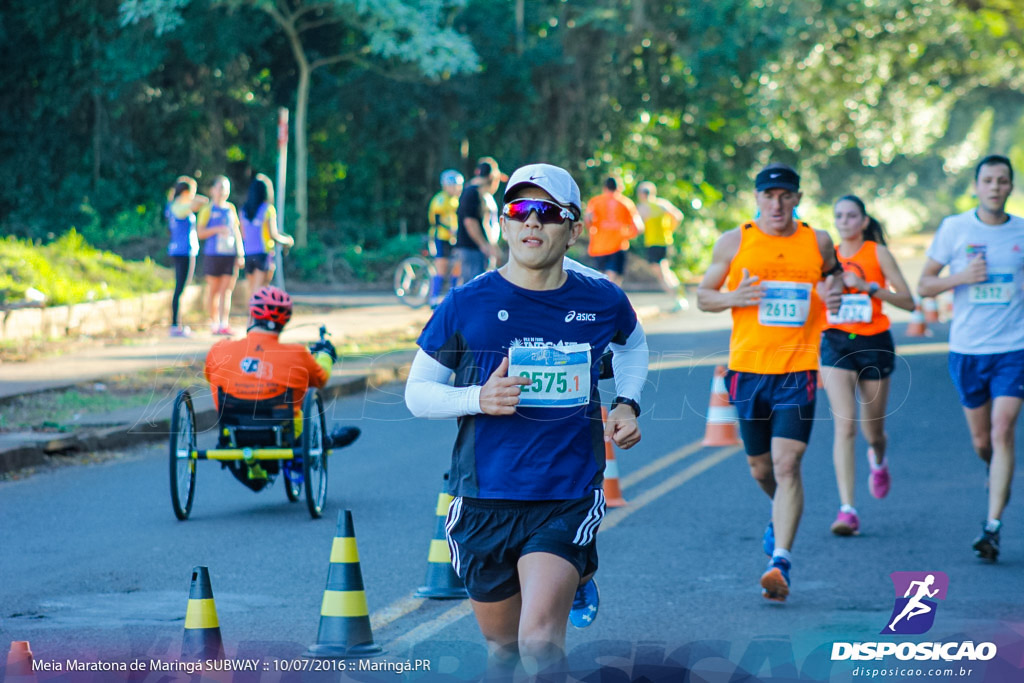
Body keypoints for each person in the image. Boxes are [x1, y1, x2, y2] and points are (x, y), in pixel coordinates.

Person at [405, 163, 648, 676]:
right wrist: (478, 398)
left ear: (572, 229)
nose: (531, 222)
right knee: (503, 649)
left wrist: (628, 401)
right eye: (518, 210)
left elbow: (633, 345)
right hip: (483, 500)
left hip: (564, 495)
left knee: (539, 641)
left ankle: (571, 575)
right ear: (505, 224)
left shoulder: (601, 298)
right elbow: (417, 394)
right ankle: (574, 582)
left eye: (548, 213)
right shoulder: (466, 303)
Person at [696, 162, 842, 602]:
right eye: (768, 195)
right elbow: (703, 296)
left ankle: (780, 561)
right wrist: (732, 298)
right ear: (757, 198)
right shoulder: (735, 241)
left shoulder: (816, 240)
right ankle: (782, 509)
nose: (776, 204)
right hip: (748, 370)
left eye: (785, 195)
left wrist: (832, 288)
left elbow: (833, 271)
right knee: (761, 468)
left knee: (787, 464)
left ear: (797, 198)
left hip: (798, 369)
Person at [918, 154, 1024, 562]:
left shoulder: (1020, 232)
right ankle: (995, 470)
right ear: (977, 187)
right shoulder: (954, 229)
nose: (996, 187)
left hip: (1013, 350)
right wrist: (960, 278)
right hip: (968, 350)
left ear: (1010, 187)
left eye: (1003, 180)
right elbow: (924, 285)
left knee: (1002, 431)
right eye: (988, 181)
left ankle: (992, 527)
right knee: (983, 442)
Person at [820, 195, 915, 536]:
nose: (844, 221)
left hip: (875, 343)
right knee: (844, 426)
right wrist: (824, 294)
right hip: (835, 342)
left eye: (851, 216)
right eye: (839, 216)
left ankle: (878, 457)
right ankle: (847, 509)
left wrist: (870, 288)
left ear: (863, 221)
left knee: (871, 431)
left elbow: (908, 300)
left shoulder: (878, 253)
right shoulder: (823, 254)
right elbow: (812, 296)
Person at [205, 286, 360, 487]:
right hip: (281, 432)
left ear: (251, 316)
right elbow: (320, 380)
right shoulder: (297, 355)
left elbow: (210, 377)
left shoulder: (219, 350)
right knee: (303, 402)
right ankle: (324, 442)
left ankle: (255, 469)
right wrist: (325, 356)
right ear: (284, 322)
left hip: (234, 429)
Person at [196, 175, 245, 336]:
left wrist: (240, 253)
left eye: (226, 188)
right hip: (213, 254)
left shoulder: (231, 208)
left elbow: (236, 231)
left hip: (229, 254)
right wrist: (217, 230)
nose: (223, 191)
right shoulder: (207, 210)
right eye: (220, 187)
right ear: (212, 190)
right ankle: (214, 323)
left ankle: (224, 323)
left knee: (227, 290)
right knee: (214, 290)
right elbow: (200, 232)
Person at [240, 174, 294, 305]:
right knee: (259, 289)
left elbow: (243, 234)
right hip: (263, 253)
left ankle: (251, 320)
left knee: (252, 288)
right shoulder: (268, 209)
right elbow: (273, 235)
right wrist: (288, 241)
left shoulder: (243, 211)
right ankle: (256, 320)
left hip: (248, 253)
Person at [165, 175, 208, 337]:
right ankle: (176, 325)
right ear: (185, 192)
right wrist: (190, 196)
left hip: (178, 249)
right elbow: (203, 201)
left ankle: (177, 324)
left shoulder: (173, 206)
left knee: (180, 288)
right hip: (185, 250)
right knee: (180, 288)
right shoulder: (181, 208)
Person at [636, 181, 687, 311]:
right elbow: (678, 215)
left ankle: (677, 297)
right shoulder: (662, 204)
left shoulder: (643, 207)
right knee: (664, 269)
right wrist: (671, 229)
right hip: (665, 241)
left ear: (642, 194)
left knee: (660, 273)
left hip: (653, 243)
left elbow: (637, 226)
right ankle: (677, 289)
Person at [454, 157, 506, 285]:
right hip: (471, 248)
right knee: (472, 288)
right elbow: (470, 222)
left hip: (478, 249)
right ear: (491, 177)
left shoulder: (482, 194)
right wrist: (484, 245)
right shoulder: (472, 192)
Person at [585, 176, 644, 286]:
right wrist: (627, 235)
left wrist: (591, 231)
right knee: (614, 280)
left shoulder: (595, 201)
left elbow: (587, 218)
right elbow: (639, 227)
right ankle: (609, 300)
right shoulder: (626, 203)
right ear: (619, 187)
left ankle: (602, 299)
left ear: (604, 187)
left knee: (600, 277)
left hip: (599, 245)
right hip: (618, 246)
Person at [427, 169, 464, 307]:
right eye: (454, 186)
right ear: (446, 186)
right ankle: (434, 298)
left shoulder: (456, 200)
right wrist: (449, 229)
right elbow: (436, 221)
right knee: (441, 268)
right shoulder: (440, 199)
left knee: (457, 267)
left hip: (453, 238)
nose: (457, 188)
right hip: (441, 237)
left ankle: (452, 297)